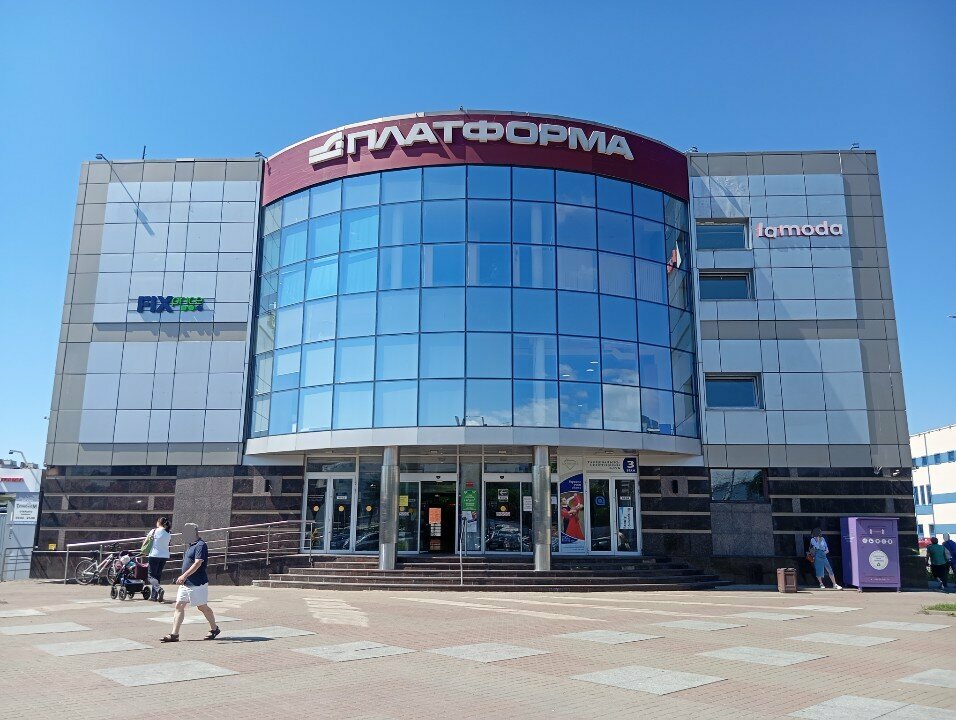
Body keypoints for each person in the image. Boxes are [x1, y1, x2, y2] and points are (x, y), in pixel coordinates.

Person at [161, 523, 220, 642]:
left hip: (197, 583)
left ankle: (214, 628)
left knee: (202, 607)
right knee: (179, 605)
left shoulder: (200, 545)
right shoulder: (190, 545)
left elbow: (197, 563)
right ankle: (174, 634)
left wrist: (184, 575)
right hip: (186, 583)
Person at [142, 517, 171, 602]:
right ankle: (154, 597)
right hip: (164, 556)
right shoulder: (168, 532)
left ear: (159, 522)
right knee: (157, 576)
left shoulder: (154, 531)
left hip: (154, 555)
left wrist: (143, 549)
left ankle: (159, 589)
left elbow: (146, 542)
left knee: (150, 576)